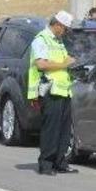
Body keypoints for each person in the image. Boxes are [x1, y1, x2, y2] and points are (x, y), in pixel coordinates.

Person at [27, 10, 78, 176]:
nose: (66, 32)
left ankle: (60, 162)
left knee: (64, 130)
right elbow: (41, 64)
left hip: (63, 90)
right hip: (50, 90)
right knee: (51, 129)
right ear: (57, 24)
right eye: (65, 28)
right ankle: (46, 164)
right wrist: (64, 64)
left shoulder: (58, 41)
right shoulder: (41, 40)